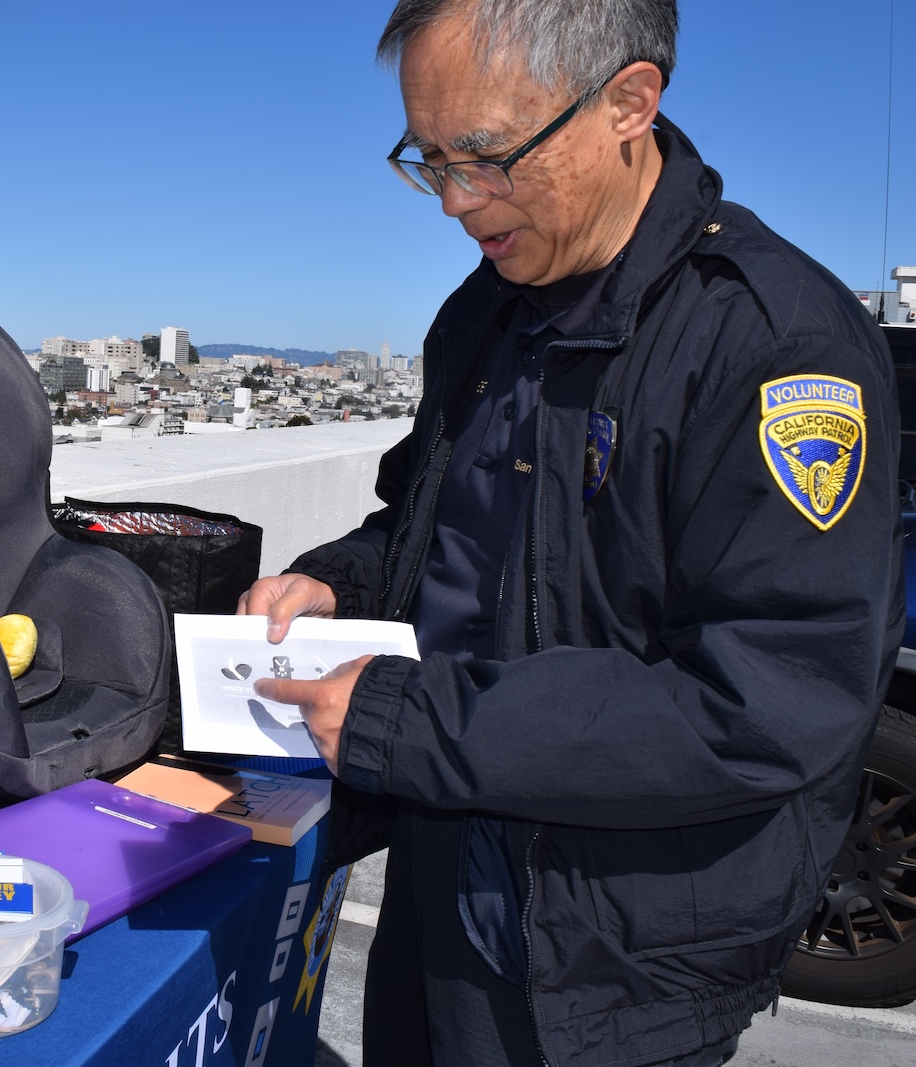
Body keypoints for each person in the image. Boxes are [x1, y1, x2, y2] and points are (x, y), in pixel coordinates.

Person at [239, 2, 902, 1064]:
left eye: (489, 158)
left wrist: (402, 723)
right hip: (437, 871)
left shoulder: (772, 345)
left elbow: (769, 703)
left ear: (628, 104)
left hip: (609, 958)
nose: (458, 203)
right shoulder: (486, 310)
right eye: (430, 160)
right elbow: (425, 532)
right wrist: (332, 583)